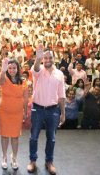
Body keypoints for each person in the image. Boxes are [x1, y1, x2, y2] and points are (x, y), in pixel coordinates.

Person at [27, 44, 65, 175]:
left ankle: (49, 162)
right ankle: (32, 161)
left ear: (54, 59)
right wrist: (38, 57)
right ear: (42, 59)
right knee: (34, 137)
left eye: (50, 58)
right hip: (37, 109)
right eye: (45, 58)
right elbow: (35, 68)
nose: (47, 60)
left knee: (52, 138)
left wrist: (63, 113)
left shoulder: (59, 74)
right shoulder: (38, 70)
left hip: (53, 110)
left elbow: (61, 96)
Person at [0, 58, 28, 170]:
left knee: (15, 137)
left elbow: (25, 98)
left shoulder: (23, 81)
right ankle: (4, 157)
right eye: (9, 68)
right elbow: (0, 79)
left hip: (17, 113)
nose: (12, 70)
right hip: (4, 112)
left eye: (14, 68)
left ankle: (14, 157)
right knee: (4, 136)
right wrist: (3, 69)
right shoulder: (4, 78)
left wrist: (25, 111)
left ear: (18, 69)